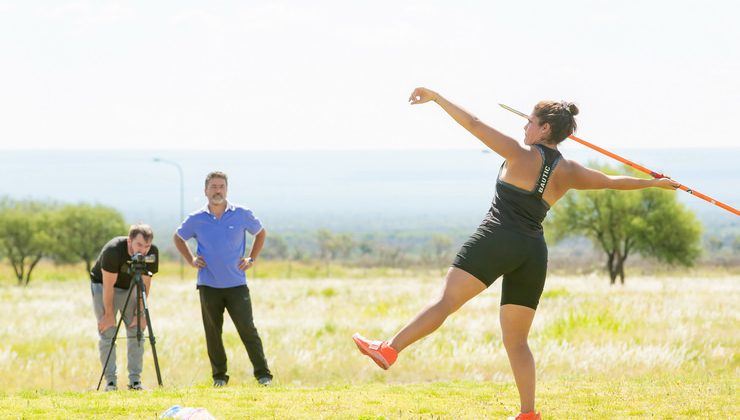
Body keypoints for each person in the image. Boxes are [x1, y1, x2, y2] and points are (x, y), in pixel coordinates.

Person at [352, 87, 679, 420]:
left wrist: (437, 98)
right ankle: (528, 414)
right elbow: (612, 181)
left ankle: (390, 349)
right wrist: (654, 183)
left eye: (530, 121)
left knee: (445, 303)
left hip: (497, 239)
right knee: (517, 340)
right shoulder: (570, 171)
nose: (525, 127)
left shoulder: (517, 153)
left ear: (545, 129)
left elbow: (475, 123)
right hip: (532, 252)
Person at [173, 171, 273, 387]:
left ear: (226, 189)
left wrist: (251, 259)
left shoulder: (242, 214)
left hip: (237, 284)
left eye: (221, 186)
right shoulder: (196, 218)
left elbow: (261, 233)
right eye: (213, 187)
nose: (217, 190)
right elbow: (178, 237)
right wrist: (190, 259)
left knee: (248, 330)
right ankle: (219, 377)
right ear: (205, 191)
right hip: (208, 285)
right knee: (213, 333)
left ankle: (263, 375)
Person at [91, 224, 159, 392]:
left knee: (137, 330)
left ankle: (135, 382)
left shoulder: (151, 253)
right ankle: (111, 383)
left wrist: (140, 313)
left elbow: (145, 284)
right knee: (108, 331)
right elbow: (108, 285)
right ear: (130, 241)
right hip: (104, 285)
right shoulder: (113, 251)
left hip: (130, 285)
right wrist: (108, 314)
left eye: (147, 246)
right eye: (139, 245)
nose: (144, 250)